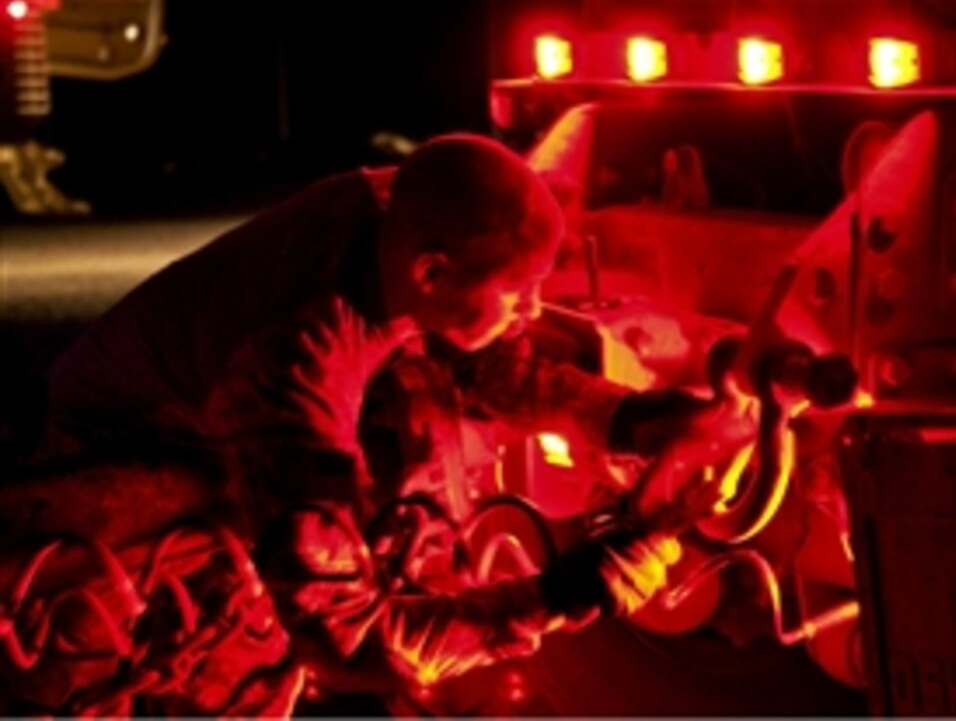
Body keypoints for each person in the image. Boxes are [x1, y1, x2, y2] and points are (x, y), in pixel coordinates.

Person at [38, 134, 748, 714]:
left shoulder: (388, 213)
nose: (532, 312)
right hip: (117, 460)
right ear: (433, 273)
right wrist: (580, 583)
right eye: (516, 293)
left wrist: (632, 420)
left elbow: (485, 359)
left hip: (200, 408)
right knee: (250, 646)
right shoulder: (291, 373)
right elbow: (356, 645)